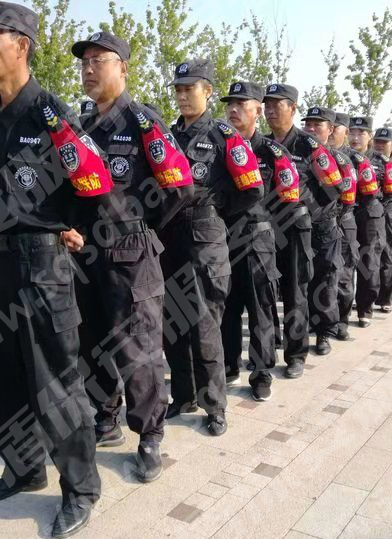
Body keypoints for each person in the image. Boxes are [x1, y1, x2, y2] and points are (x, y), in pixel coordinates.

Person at [0, 2, 108, 538]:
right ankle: (22, 468)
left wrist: (74, 226)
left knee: (54, 381)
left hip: (41, 263)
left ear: (21, 45)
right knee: (1, 377)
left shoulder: (50, 114)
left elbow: (94, 181)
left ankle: (81, 488)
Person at [70, 31, 194, 482]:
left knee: (137, 348)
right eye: (84, 62)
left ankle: (149, 435)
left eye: (98, 61)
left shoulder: (143, 122)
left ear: (122, 68)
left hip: (131, 251)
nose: (88, 69)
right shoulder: (80, 128)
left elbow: (179, 186)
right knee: (92, 341)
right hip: (86, 250)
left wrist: (139, 223)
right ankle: (106, 416)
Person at [163, 59, 263, 435]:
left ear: (207, 91)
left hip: (205, 237)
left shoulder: (224, 135)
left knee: (205, 325)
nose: (183, 96)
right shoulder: (167, 135)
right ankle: (183, 395)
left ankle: (215, 406)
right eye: (178, 89)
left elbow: (252, 188)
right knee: (174, 321)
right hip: (169, 235)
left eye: (190, 89)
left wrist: (217, 209)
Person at [220, 80, 298, 401]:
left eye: (241, 104)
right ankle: (228, 364)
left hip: (257, 239)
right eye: (230, 104)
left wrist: (267, 230)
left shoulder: (271, 151)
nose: (233, 110)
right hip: (223, 237)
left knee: (260, 306)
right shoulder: (217, 144)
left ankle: (262, 371)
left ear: (258, 111)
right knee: (225, 305)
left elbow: (288, 199)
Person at [263, 84, 343, 376]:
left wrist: (306, 210)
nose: (270, 110)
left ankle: (296, 354)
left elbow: (334, 187)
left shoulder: (309, 146)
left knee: (296, 291)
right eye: (267, 105)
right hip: (265, 229)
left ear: (293, 108)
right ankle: (266, 349)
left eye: (277, 105)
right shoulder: (261, 144)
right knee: (265, 291)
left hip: (296, 229)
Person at [300, 107, 348, 354]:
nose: (310, 129)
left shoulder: (337, 160)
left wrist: (326, 216)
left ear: (330, 129)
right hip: (298, 227)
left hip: (325, 227)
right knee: (301, 281)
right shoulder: (295, 154)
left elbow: (345, 198)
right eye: (307, 124)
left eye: (317, 125)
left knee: (326, 280)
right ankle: (304, 326)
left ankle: (324, 333)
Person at [329, 112, 365, 339]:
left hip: (344, 219)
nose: (332, 132)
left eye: (337, 128)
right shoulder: (312, 153)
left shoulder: (351, 159)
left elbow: (355, 196)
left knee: (343, 274)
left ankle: (341, 321)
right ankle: (321, 321)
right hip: (319, 222)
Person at [348, 116, 386, 327]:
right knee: (344, 262)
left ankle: (365, 308)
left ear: (370, 135)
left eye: (360, 133)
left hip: (370, 214)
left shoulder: (380, 162)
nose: (355, 137)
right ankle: (342, 309)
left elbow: (390, 191)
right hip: (347, 212)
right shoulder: (342, 156)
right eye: (352, 132)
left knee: (369, 262)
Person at [372, 127, 392, 313]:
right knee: (369, 258)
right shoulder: (367, 162)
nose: (380, 145)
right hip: (371, 213)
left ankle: (385, 298)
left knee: (388, 256)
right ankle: (368, 296)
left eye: (384, 142)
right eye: (377, 141)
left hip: (390, 213)